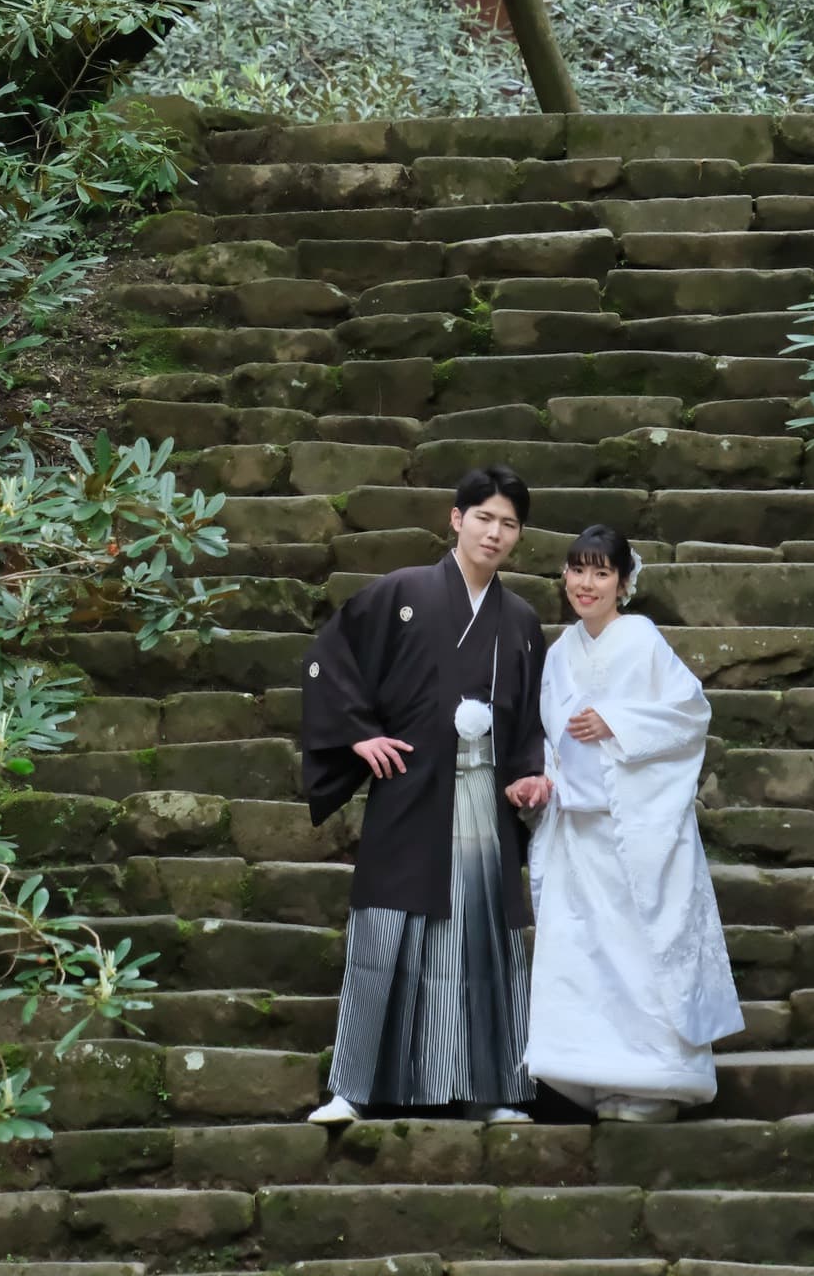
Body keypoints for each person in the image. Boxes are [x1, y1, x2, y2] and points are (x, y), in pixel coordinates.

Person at [300, 464, 550, 1125]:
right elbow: (332, 658)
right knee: (383, 935)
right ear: (455, 518)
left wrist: (529, 775)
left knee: (483, 945)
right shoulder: (402, 593)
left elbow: (529, 725)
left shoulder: (521, 621)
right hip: (410, 791)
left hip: (483, 801)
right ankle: (350, 1090)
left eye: (509, 524)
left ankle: (490, 1092)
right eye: (485, 517)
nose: (495, 534)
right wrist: (358, 735)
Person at [525, 524, 744, 1121]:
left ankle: (654, 1084)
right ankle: (586, 1077)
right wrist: (543, 778)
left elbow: (690, 714)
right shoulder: (558, 652)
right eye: (577, 570)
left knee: (641, 955)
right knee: (586, 959)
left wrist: (616, 722)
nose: (586, 584)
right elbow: (545, 734)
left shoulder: (642, 640)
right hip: (577, 826)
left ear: (623, 582)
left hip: (635, 830)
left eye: (601, 572)